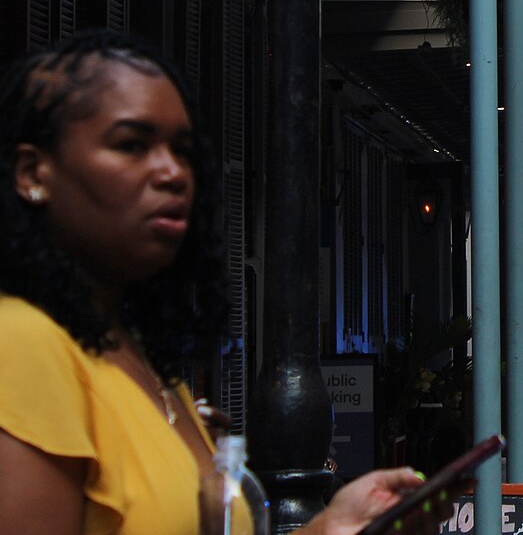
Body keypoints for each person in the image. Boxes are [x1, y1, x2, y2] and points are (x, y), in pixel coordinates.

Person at [0, 30, 442, 535]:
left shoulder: (143, 361)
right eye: (131, 145)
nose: (172, 172)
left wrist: (333, 527)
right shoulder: (23, 348)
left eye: (183, 150)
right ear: (33, 172)